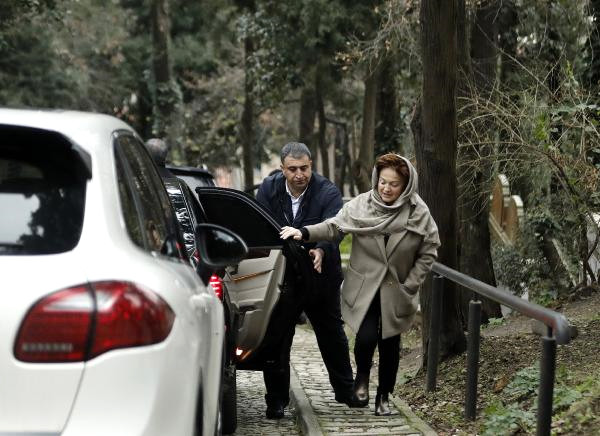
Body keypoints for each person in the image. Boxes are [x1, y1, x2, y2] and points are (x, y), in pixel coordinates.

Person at [280, 153, 440, 416]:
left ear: (406, 185)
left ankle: (384, 397)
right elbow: (334, 227)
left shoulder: (418, 212)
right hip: (364, 286)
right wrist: (304, 232)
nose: (386, 188)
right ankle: (362, 377)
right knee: (365, 338)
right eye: (383, 182)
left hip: (396, 288)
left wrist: (411, 283)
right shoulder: (361, 205)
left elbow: (429, 250)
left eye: (394, 184)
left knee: (390, 344)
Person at [256, 142, 363, 419]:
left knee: (332, 334)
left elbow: (336, 226)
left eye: (304, 168)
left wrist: (321, 249)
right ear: (282, 169)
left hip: (320, 275)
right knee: (278, 337)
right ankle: (276, 400)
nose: (299, 174)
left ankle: (346, 391)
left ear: (311, 166)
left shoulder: (327, 191)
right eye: (292, 169)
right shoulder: (268, 189)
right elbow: (260, 226)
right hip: (283, 277)